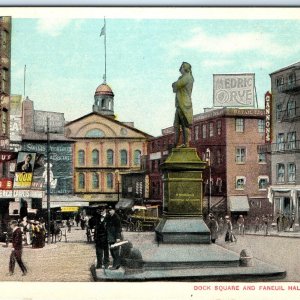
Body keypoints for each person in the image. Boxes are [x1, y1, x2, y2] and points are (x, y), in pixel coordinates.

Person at [172, 62, 194, 148]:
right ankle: (176, 143)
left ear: (185, 68)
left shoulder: (188, 77)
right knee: (176, 125)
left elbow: (176, 85)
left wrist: (175, 84)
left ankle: (186, 144)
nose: (180, 69)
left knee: (185, 125)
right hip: (179, 105)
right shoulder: (182, 78)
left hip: (184, 104)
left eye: (181, 67)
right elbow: (175, 89)